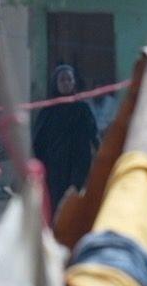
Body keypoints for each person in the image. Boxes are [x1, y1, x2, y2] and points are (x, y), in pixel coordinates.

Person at [31, 64, 100, 210]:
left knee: (73, 200)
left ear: (74, 82)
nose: (66, 83)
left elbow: (93, 134)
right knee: (55, 201)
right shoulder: (48, 109)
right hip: (54, 166)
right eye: (62, 80)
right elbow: (38, 140)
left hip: (78, 164)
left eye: (69, 80)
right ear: (55, 83)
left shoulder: (82, 108)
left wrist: (102, 154)